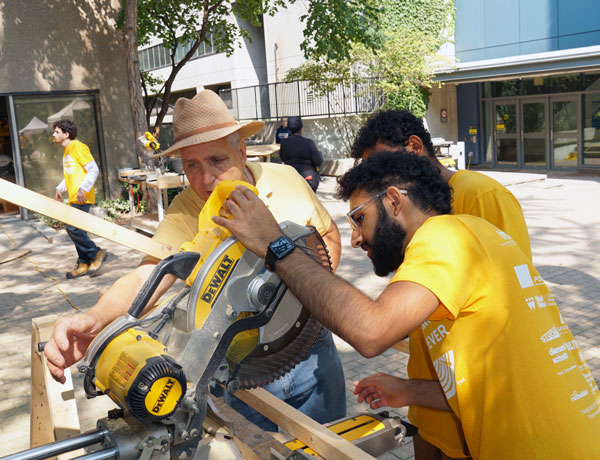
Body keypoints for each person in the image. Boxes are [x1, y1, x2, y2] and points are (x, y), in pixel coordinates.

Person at [214, 152, 600, 459]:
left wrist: (275, 245)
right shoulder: (472, 238)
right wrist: (410, 391)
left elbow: (370, 332)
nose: (354, 239)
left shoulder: (445, 236)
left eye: (358, 218)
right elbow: (495, 383)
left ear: (394, 201)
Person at [44, 91, 346, 431]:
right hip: (244, 369)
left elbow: (328, 235)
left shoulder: (286, 178)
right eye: (192, 165)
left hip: (313, 351)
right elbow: (149, 276)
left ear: (242, 150)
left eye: (217, 160)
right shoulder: (186, 210)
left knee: (331, 446)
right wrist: (93, 320)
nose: (204, 180)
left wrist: (313, 304)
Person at [350, 109, 532, 459]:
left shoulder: (479, 195)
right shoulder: (408, 213)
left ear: (414, 147)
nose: (373, 178)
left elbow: (513, 301)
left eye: (379, 164)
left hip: (471, 412)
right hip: (427, 397)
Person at [53, 119, 106, 279]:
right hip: (74, 197)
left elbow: (93, 169)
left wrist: (84, 188)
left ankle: (96, 253)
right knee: (77, 230)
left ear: (66, 134)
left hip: (82, 197)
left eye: (57, 132)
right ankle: (83, 263)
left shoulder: (77, 147)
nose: (53, 135)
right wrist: (60, 187)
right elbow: (71, 173)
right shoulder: (67, 150)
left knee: (72, 229)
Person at [280, 116, 323, 192]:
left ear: (289, 128)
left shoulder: (284, 143)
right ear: (301, 128)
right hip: (308, 179)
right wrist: (319, 153)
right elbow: (318, 162)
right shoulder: (309, 143)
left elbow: (283, 158)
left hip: (290, 178)